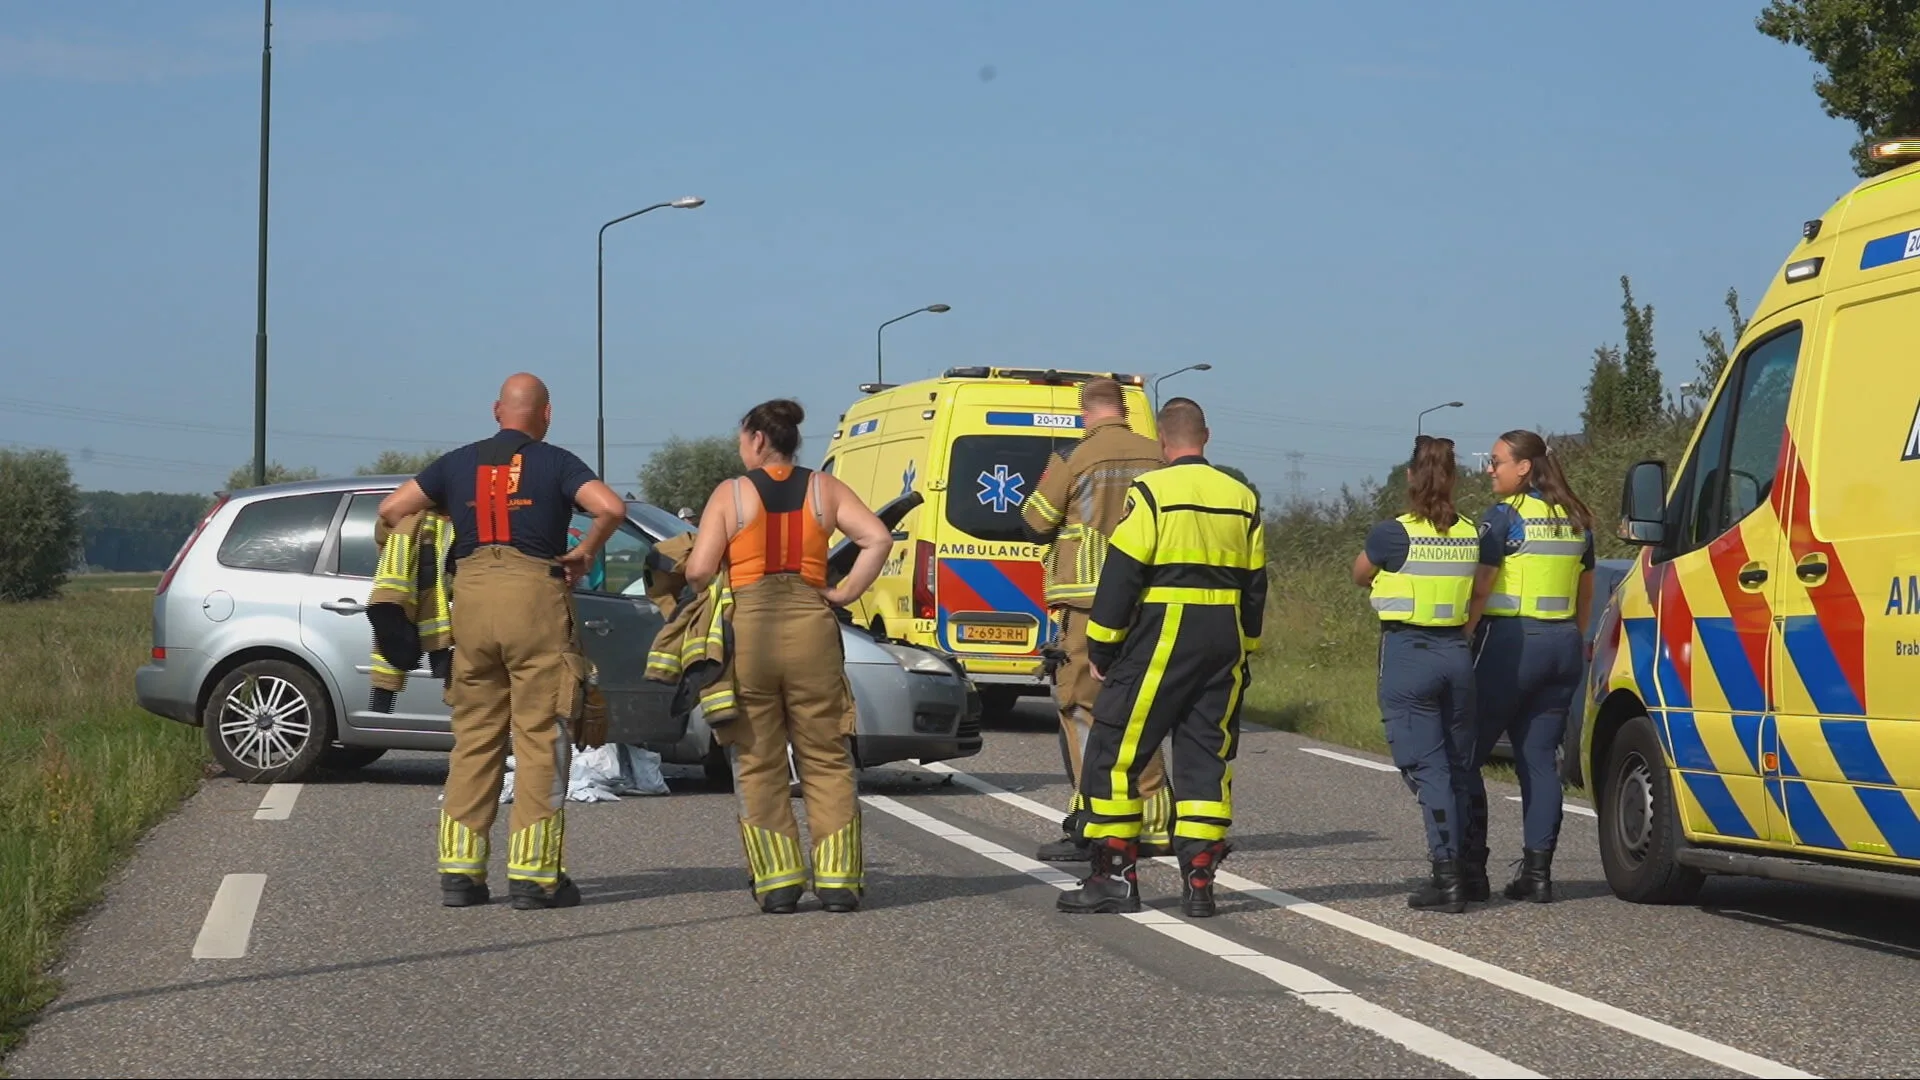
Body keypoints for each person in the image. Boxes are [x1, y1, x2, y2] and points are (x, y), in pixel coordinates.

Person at [378, 372, 628, 910]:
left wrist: (445, 517)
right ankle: (535, 879)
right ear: (547, 414)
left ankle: (461, 875)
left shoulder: (455, 463)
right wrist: (586, 552)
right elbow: (610, 507)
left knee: (475, 737)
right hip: (534, 600)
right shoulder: (558, 462)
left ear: (496, 412)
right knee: (538, 736)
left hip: (471, 602)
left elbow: (392, 511)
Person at [1055, 397, 1266, 919]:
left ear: (1163, 444)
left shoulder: (1151, 491)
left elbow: (1123, 572)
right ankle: (1199, 880)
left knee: (1112, 751)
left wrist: (1102, 646)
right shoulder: (1242, 496)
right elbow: (1256, 584)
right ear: (1206, 437)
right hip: (1225, 640)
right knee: (1205, 760)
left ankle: (1114, 878)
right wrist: (1248, 650)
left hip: (1164, 632)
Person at [684, 398, 892, 914]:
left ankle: (778, 883)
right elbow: (878, 538)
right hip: (812, 625)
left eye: (741, 439)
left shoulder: (731, 494)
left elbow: (698, 569)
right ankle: (839, 883)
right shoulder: (825, 489)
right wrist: (843, 594)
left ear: (757, 439)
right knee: (825, 754)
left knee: (757, 758)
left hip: (751, 630)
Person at [1021, 377, 1174, 863]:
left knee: (1083, 708)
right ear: (1125, 409)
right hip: (1150, 601)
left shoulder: (1075, 457)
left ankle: (1095, 821)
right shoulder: (1159, 454)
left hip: (1088, 601)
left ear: (1084, 410)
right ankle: (1155, 822)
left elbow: (1036, 522)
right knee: (1138, 708)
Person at [1460, 429, 1596, 904]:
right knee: (1539, 761)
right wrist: (1574, 637)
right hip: (1563, 644)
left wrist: (1464, 637)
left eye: (1496, 461)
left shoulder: (1504, 517)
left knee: (1467, 753)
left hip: (1511, 641)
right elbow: (1586, 589)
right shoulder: (1577, 517)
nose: (1489, 469)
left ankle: (1467, 864)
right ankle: (1538, 873)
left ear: (1524, 467)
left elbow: (1480, 587)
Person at [1351, 434, 1480, 914]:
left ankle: (1446, 877)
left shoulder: (1391, 533)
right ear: (1454, 478)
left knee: (1426, 768)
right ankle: (1467, 869)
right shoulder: (1472, 531)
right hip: (1456, 654)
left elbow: (1360, 573)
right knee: (1458, 765)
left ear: (1410, 476)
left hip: (1408, 653)